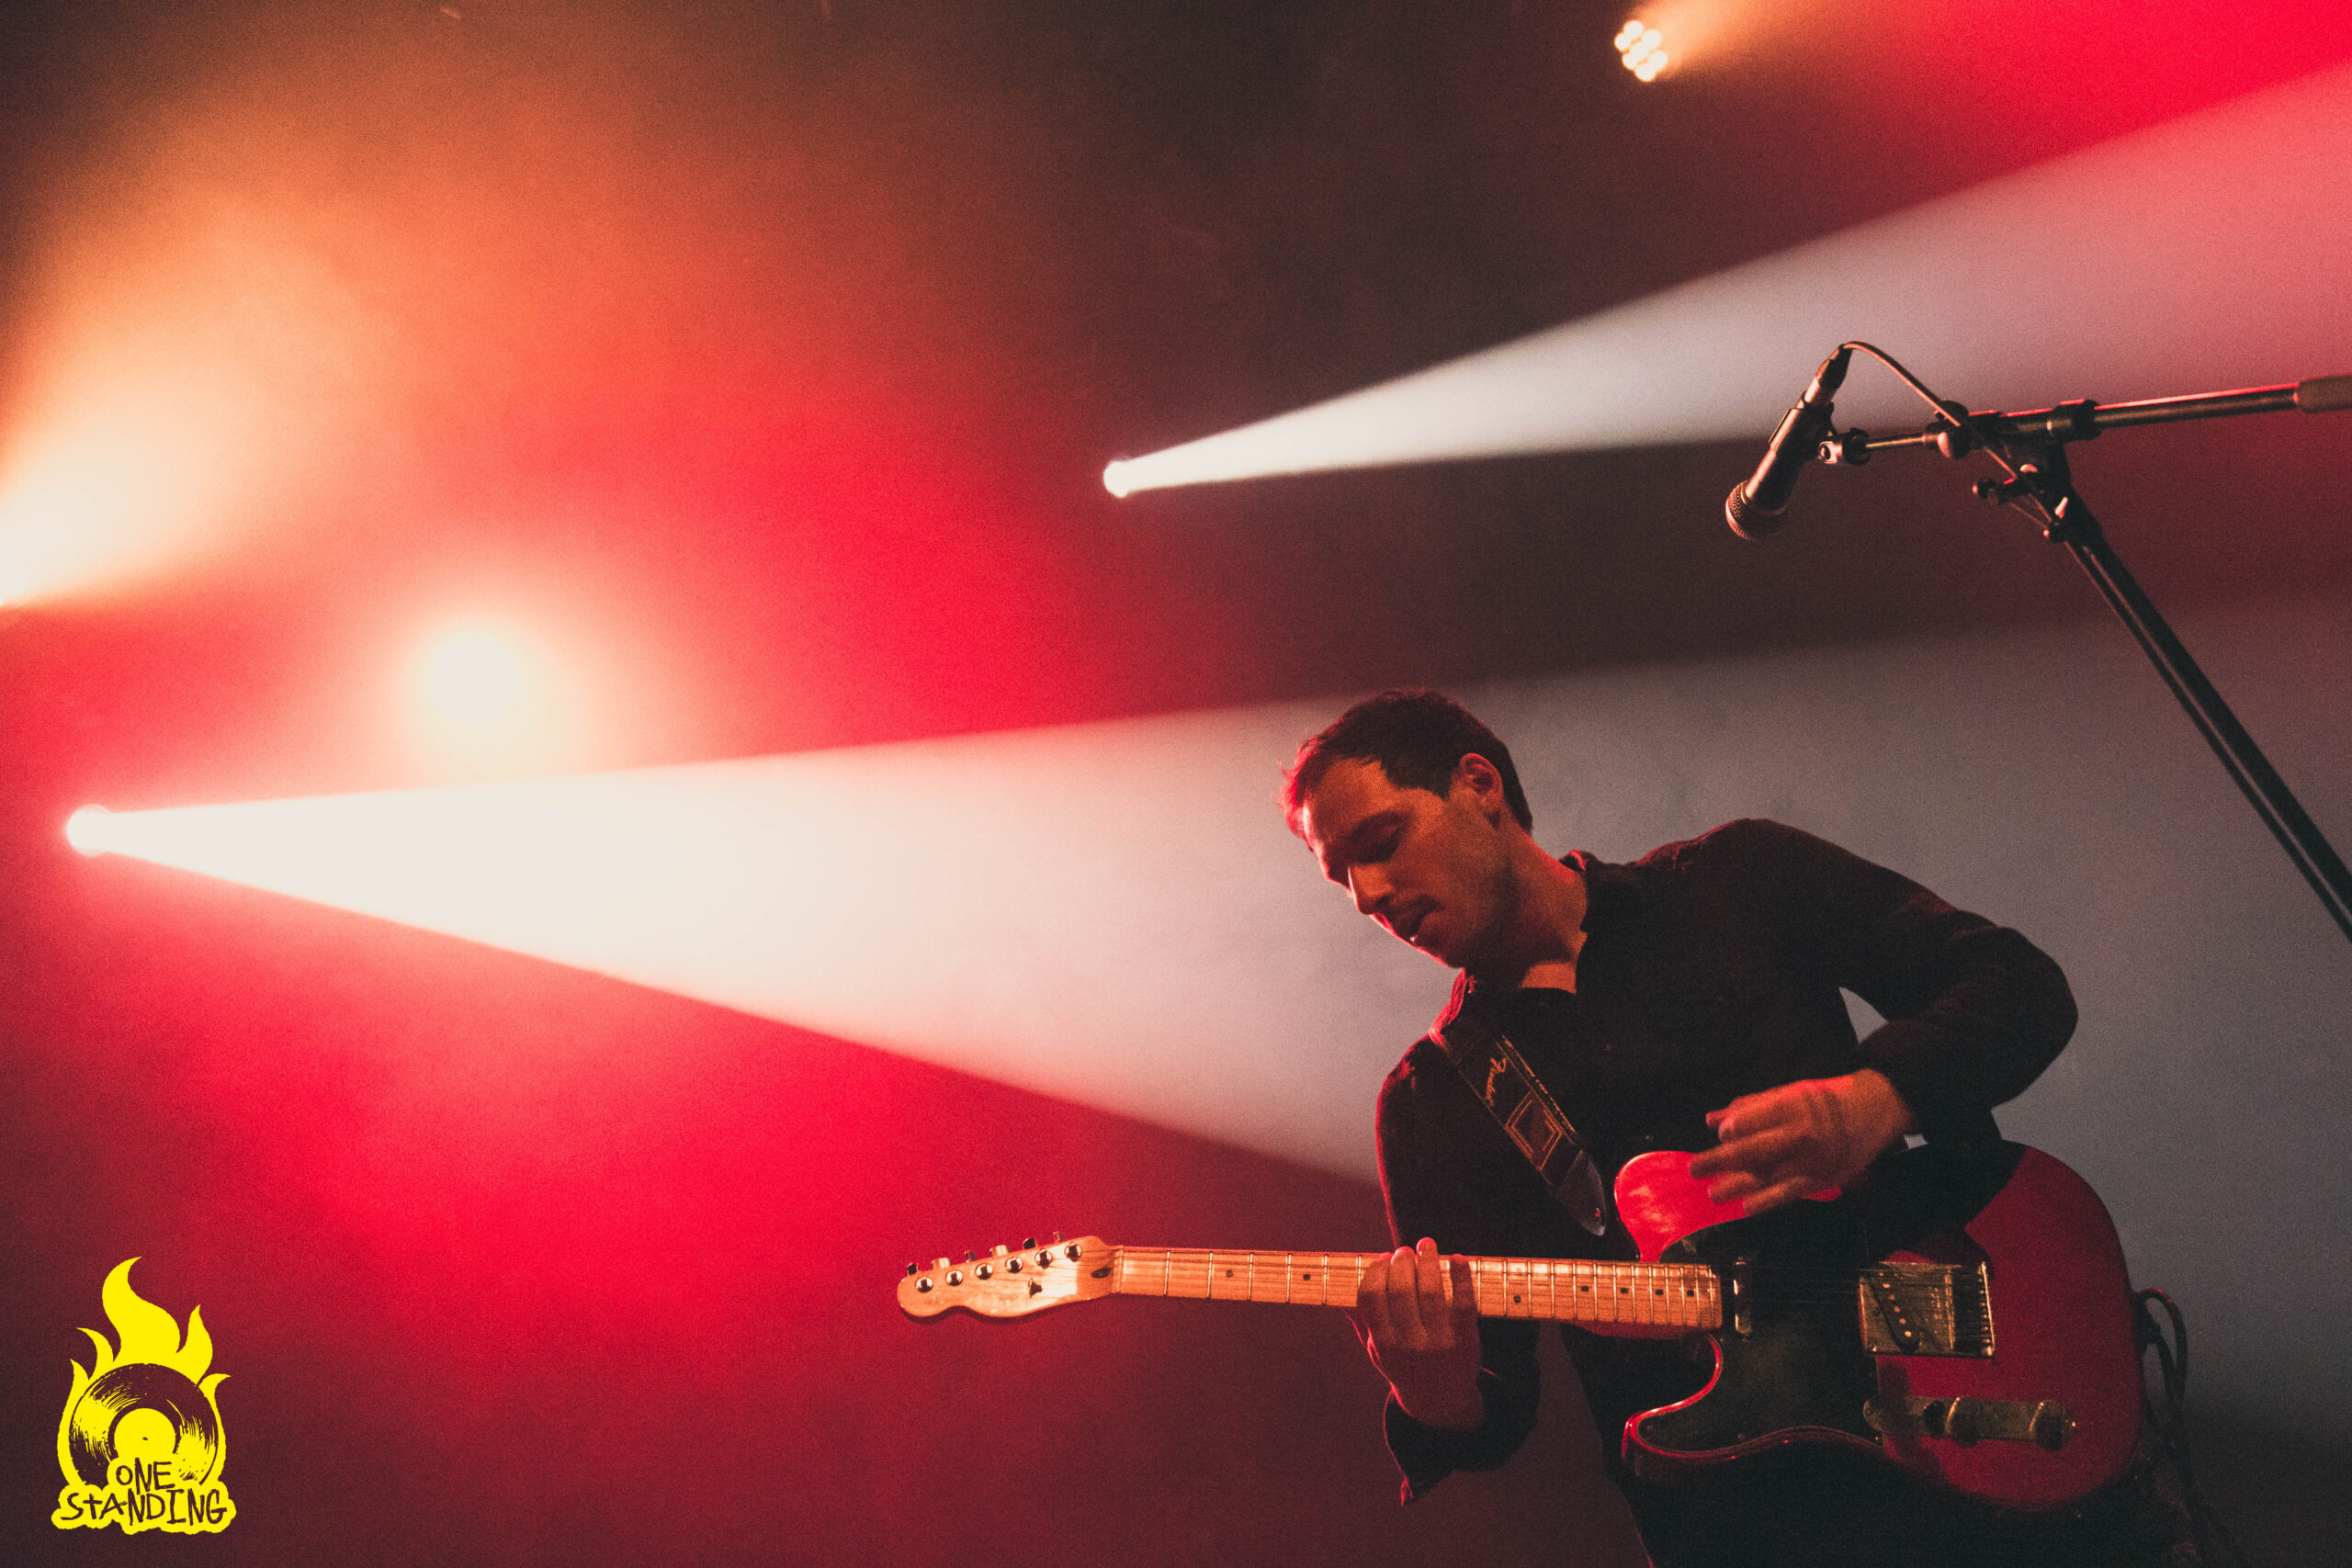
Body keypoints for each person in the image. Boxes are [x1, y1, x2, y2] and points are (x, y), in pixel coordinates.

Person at [1283, 689, 2196, 1568]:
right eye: (1341, 878)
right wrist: (1434, 1392)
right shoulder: (1432, 1102)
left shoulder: (1737, 879)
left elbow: (2020, 987)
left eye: (1380, 842)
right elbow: (1498, 1407)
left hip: (1993, 1453)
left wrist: (1879, 1097)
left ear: (1479, 784)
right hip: (1752, 1528)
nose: (1367, 893)